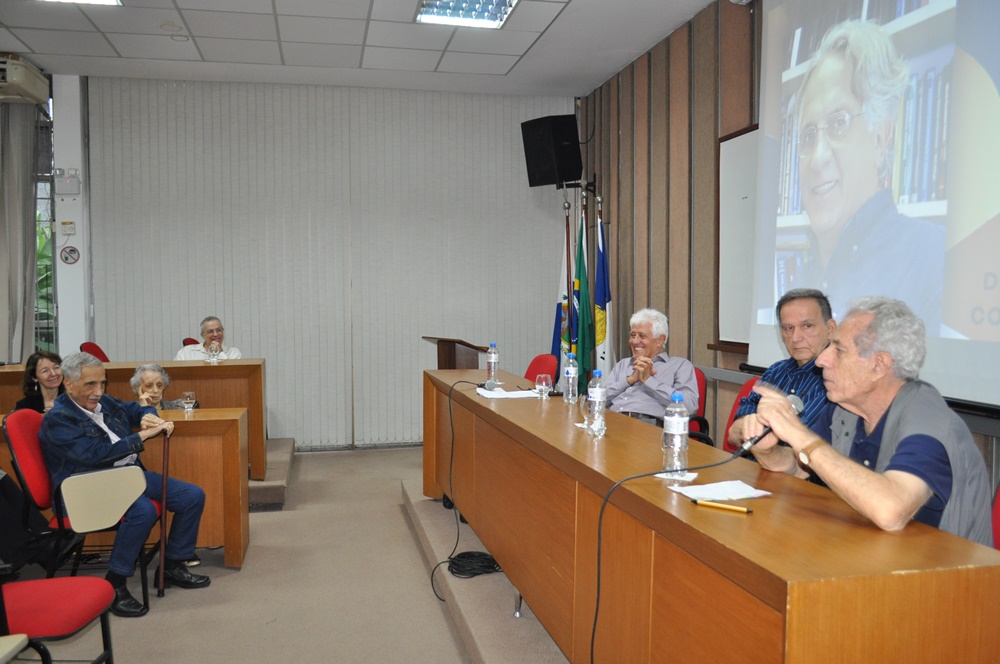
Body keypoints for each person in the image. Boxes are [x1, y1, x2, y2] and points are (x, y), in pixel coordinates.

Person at [750, 297, 992, 545]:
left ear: (879, 366)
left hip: (942, 576)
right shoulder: (845, 408)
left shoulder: (927, 419)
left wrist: (798, 433)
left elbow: (890, 511)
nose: (822, 360)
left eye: (839, 350)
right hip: (869, 551)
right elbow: (798, 468)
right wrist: (767, 449)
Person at [793, 20, 944, 332]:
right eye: (808, 135)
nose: (819, 156)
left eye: (838, 123)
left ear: (881, 136)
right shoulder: (804, 275)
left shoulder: (934, 261)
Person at [40, 353, 211, 618]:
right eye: (90, 385)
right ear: (68, 384)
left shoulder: (103, 401)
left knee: (191, 496)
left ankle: (172, 565)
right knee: (142, 512)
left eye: (102, 383)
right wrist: (141, 436)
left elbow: (134, 409)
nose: (99, 391)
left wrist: (149, 416)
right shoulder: (59, 419)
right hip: (87, 487)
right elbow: (95, 455)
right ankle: (115, 583)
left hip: (126, 476)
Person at [728, 288, 835, 449]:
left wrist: (757, 426)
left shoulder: (836, 380)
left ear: (830, 329)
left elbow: (803, 446)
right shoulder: (776, 371)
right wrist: (749, 426)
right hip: (754, 467)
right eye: (788, 328)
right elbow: (734, 434)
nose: (796, 338)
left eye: (807, 326)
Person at [605, 308, 698, 426]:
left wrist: (649, 381)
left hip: (648, 427)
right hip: (612, 422)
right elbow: (596, 401)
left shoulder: (680, 366)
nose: (635, 341)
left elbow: (689, 407)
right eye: (633, 335)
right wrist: (629, 380)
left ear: (660, 340)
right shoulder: (623, 364)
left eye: (642, 336)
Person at [174, 316, 242, 361]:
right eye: (210, 331)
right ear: (202, 335)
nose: (215, 334)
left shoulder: (234, 353)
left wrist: (220, 353)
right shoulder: (186, 352)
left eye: (218, 330)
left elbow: (234, 372)